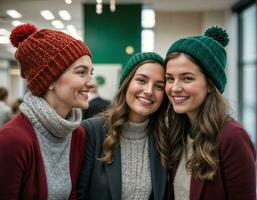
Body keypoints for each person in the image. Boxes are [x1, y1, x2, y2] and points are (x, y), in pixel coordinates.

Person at [0, 23, 95, 199]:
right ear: (50, 80)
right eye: (81, 72)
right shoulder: (11, 140)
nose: (91, 83)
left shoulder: (77, 134)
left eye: (91, 73)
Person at [165, 26, 256, 200]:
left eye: (187, 78)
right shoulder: (180, 132)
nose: (175, 88)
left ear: (209, 84)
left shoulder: (232, 137)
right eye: (170, 78)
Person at [78, 52, 169, 200]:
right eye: (141, 80)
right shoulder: (92, 131)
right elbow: (79, 193)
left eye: (159, 86)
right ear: (126, 83)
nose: (149, 91)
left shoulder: (165, 138)